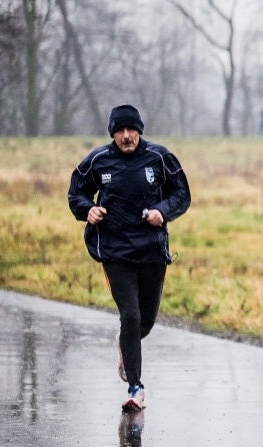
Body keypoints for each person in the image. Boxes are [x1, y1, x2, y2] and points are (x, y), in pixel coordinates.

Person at [68, 104, 191, 412]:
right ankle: (135, 388)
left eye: (131, 130)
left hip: (152, 250)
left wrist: (162, 211)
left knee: (144, 322)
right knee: (131, 316)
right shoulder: (98, 160)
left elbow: (181, 193)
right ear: (112, 134)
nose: (126, 136)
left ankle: (126, 345)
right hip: (114, 250)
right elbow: (76, 193)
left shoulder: (160, 158)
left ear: (139, 131)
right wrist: (87, 209)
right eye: (120, 131)